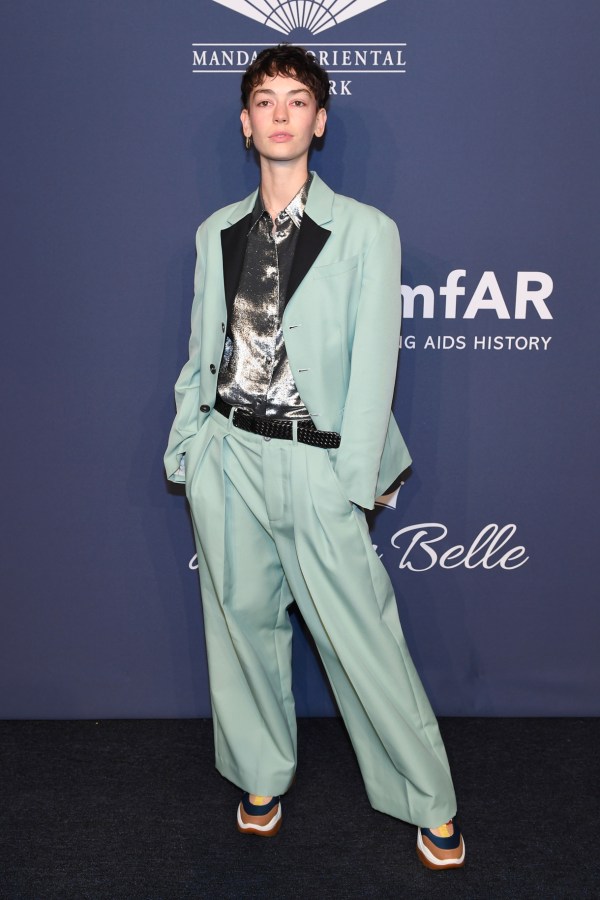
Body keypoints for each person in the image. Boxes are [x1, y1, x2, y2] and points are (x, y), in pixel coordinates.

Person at [164, 44, 465, 869]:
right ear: (246, 122)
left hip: (318, 462)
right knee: (242, 630)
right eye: (265, 100)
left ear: (320, 121)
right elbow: (201, 351)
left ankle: (427, 798)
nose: (281, 113)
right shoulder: (214, 232)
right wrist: (189, 448)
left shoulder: (367, 231)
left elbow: (375, 369)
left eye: (297, 100)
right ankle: (260, 775)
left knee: (363, 639)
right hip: (228, 456)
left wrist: (352, 482)